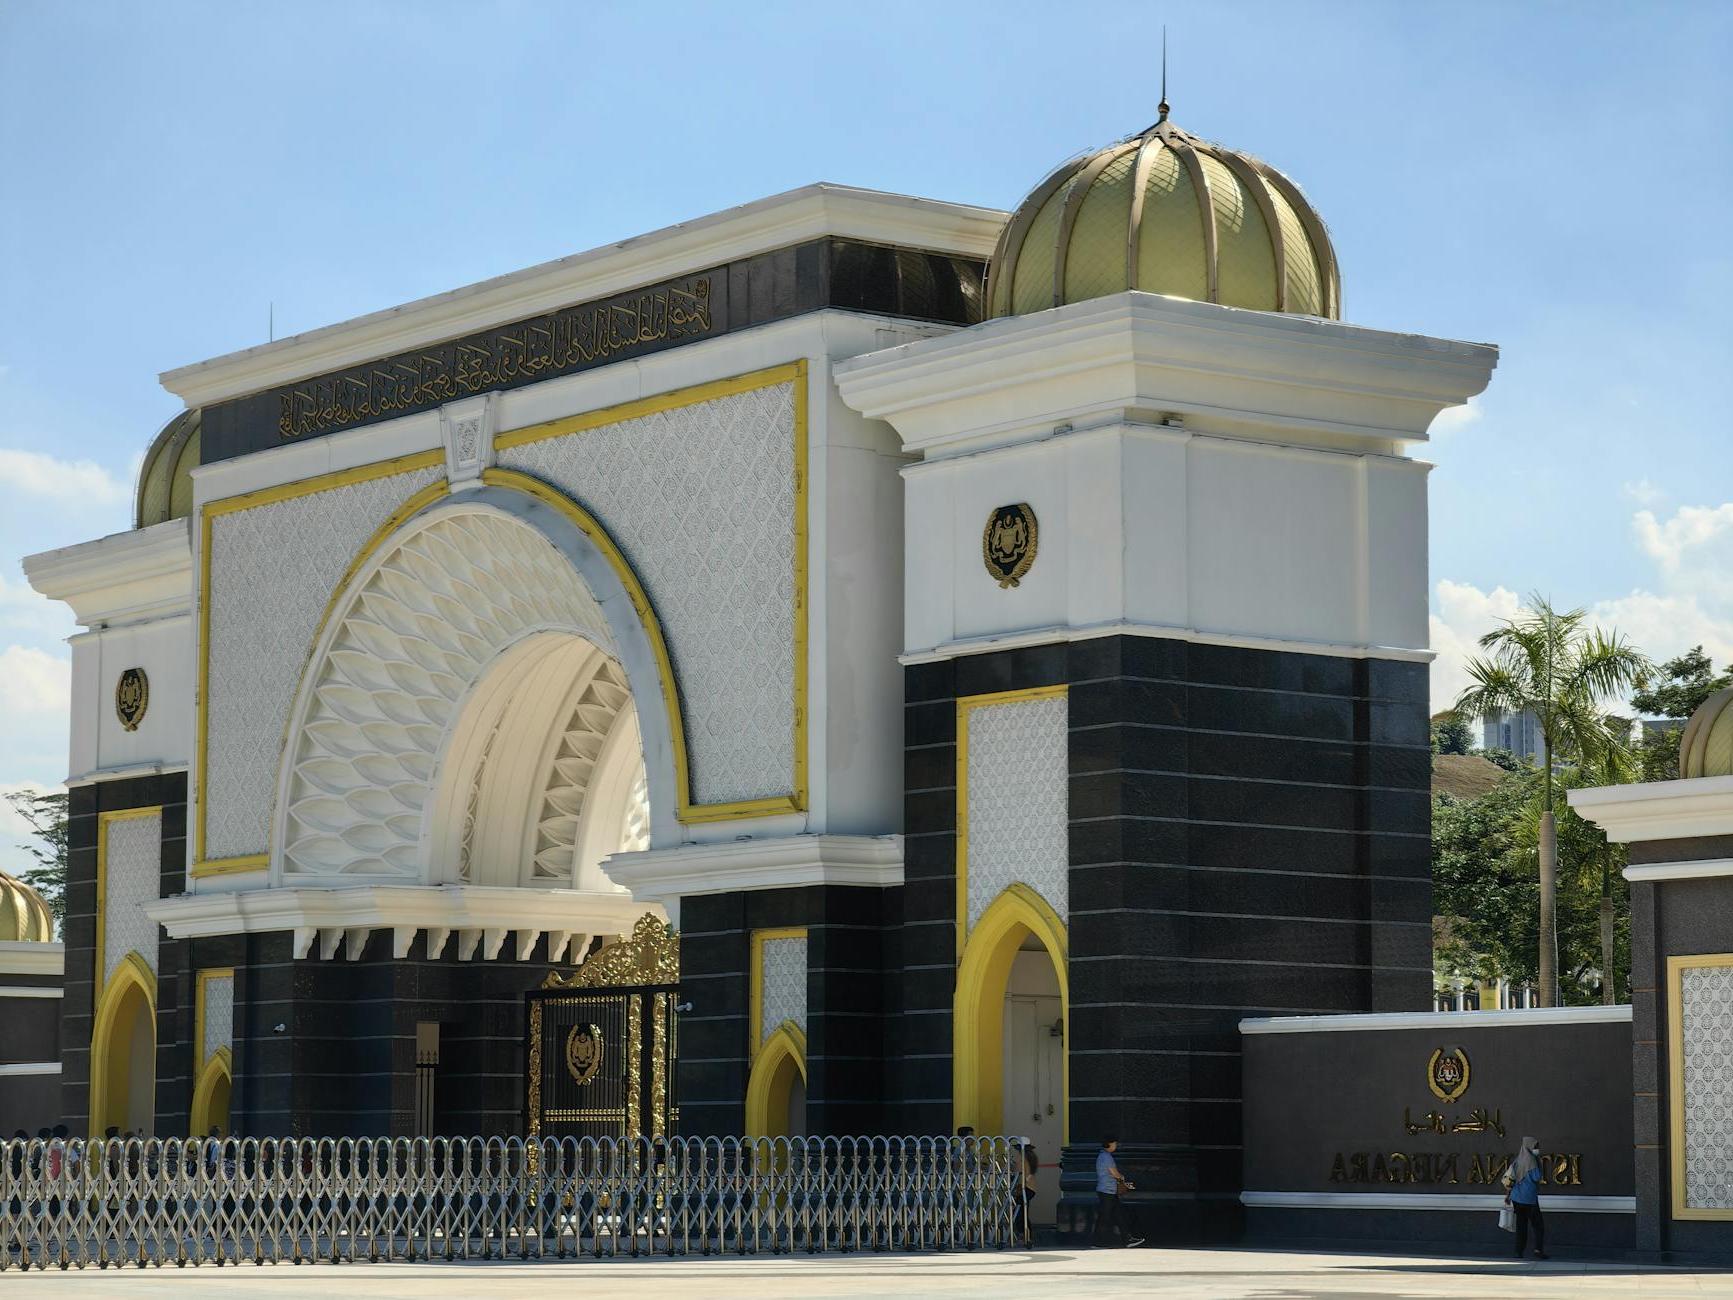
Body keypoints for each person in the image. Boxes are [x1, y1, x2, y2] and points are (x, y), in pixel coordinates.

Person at [1092, 1137, 1145, 1248]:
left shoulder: (1102, 1156)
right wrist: (1122, 1179)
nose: (1116, 1145)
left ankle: (1127, 1239)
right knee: (1105, 1217)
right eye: (1115, 1143)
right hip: (1108, 1191)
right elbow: (1114, 1173)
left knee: (1119, 1215)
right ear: (1109, 1144)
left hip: (1108, 1190)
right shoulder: (1107, 1157)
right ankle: (1098, 1243)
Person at [1502, 1135, 1548, 1260]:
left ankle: (1518, 1251)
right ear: (1529, 1147)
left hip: (1517, 1198)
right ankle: (1538, 1249)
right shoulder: (1532, 1161)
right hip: (1530, 1200)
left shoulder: (1517, 1161)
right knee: (1538, 1225)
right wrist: (1538, 1162)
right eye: (1535, 1146)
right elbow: (1537, 1177)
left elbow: (1510, 1179)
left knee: (1521, 1226)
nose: (1537, 1149)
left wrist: (1508, 1196)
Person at [1018, 1145, 1039, 1245]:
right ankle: (1027, 1235)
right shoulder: (1031, 1158)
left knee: (1020, 1213)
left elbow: (1021, 1175)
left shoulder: (1023, 1160)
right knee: (1023, 1212)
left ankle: (1024, 1235)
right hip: (1031, 1187)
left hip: (1025, 1187)